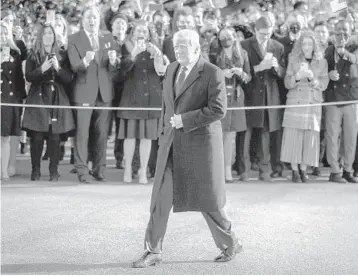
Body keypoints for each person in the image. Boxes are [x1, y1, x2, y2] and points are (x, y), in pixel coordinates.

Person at [132, 29, 242, 268]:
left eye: (182, 45)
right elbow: (166, 106)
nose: (177, 49)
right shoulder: (171, 69)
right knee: (161, 198)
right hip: (172, 144)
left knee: (209, 202)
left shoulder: (212, 72)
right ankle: (153, 250)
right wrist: (163, 134)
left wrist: (186, 120)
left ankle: (231, 243)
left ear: (195, 48)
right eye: (175, 45)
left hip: (200, 147)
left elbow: (218, 109)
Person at [67, 6, 117, 183]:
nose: (92, 21)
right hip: (83, 93)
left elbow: (114, 69)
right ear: (83, 20)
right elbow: (74, 66)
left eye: (95, 17)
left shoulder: (108, 37)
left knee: (102, 133)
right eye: (88, 17)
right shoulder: (74, 39)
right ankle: (82, 170)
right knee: (82, 134)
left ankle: (99, 168)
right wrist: (85, 61)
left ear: (99, 19)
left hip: (104, 93)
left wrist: (113, 61)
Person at [22, 23, 75, 181]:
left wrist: (58, 68)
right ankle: (35, 170)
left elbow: (69, 78)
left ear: (54, 36)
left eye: (51, 34)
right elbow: (28, 76)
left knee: (55, 136)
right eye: (45, 33)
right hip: (38, 95)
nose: (48, 36)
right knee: (37, 135)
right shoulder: (33, 54)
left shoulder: (62, 54)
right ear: (40, 36)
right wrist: (42, 69)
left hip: (57, 96)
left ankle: (54, 170)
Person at [117, 20, 164, 184]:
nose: (141, 33)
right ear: (133, 33)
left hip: (151, 98)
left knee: (147, 137)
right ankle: (128, 168)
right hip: (131, 97)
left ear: (149, 34)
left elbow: (162, 72)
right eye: (138, 30)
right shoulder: (126, 47)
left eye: (144, 31)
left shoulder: (156, 48)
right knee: (130, 137)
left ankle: (143, 170)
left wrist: (159, 57)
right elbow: (122, 70)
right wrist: (134, 53)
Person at [241, 16, 285, 182]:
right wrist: (258, 68)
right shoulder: (244, 45)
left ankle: (264, 169)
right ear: (255, 31)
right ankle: (244, 169)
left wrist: (275, 66)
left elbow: (283, 72)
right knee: (246, 132)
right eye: (262, 34)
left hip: (269, 96)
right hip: (250, 94)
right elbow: (242, 70)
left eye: (268, 33)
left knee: (265, 133)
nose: (265, 36)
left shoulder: (278, 47)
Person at [280, 31, 329, 182]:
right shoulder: (293, 59)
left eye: (310, 44)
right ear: (299, 45)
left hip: (312, 103)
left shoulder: (322, 62)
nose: (307, 47)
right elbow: (287, 83)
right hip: (296, 101)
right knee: (294, 135)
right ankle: (294, 170)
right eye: (304, 44)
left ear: (315, 46)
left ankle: (303, 169)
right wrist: (296, 77)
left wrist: (312, 79)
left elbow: (324, 84)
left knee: (310, 137)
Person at [210, 26, 251, 182]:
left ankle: (228, 167)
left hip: (236, 95)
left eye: (228, 36)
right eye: (222, 37)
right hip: (218, 96)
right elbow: (206, 74)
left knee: (231, 135)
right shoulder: (213, 53)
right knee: (218, 133)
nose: (225, 39)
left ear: (234, 37)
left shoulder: (243, 54)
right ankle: (216, 167)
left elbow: (248, 77)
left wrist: (241, 73)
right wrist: (221, 73)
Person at [324, 20, 358, 183]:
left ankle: (348, 169)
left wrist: (343, 52)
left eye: (344, 31)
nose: (341, 34)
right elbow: (320, 70)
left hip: (352, 98)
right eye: (338, 31)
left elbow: (355, 62)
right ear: (333, 32)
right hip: (333, 98)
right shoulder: (327, 50)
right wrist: (328, 74)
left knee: (350, 137)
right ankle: (334, 170)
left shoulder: (355, 49)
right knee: (332, 135)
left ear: (351, 31)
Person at [1, 9, 27, 178]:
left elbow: (25, 68)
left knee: (9, 134)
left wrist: (19, 42)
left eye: (5, 32)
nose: (2, 35)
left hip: (12, 97)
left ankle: (7, 168)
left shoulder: (16, 51)